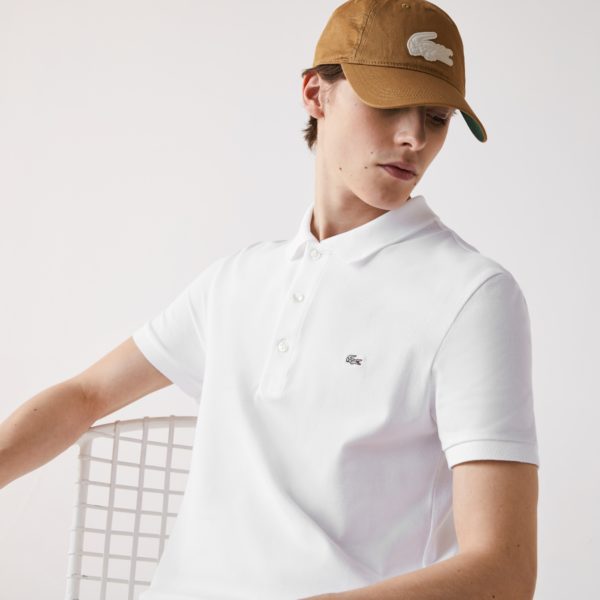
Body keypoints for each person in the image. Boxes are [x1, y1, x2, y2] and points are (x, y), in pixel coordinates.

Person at [0, 0, 539, 598]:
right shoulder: (238, 280)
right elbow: (86, 396)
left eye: (436, 117)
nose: (414, 137)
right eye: (389, 103)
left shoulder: (472, 297)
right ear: (315, 93)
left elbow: (503, 571)